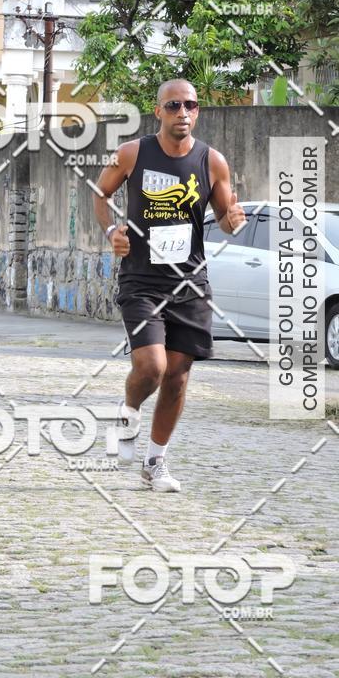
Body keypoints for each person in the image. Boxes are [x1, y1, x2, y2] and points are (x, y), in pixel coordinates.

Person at [94, 79, 245, 492]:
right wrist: (111, 231)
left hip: (190, 282)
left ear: (197, 112)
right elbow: (99, 194)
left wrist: (234, 219)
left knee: (178, 376)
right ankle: (127, 413)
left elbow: (226, 216)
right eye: (174, 105)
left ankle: (155, 462)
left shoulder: (212, 161)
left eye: (191, 105)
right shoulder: (132, 153)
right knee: (152, 367)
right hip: (141, 280)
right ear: (158, 111)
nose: (184, 112)